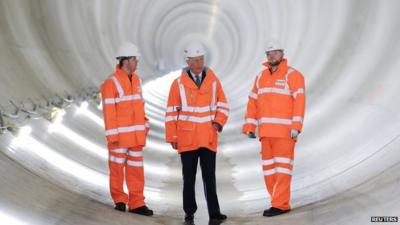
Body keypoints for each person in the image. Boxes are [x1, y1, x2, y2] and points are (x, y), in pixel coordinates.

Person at [165, 41, 229, 223]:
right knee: (189, 179)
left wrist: (217, 123)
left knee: (210, 177)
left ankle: (214, 214)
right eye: (195, 60)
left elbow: (223, 104)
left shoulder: (213, 81)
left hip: (207, 136)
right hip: (187, 138)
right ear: (188, 62)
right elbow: (171, 112)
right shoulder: (178, 84)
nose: (199, 63)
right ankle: (189, 213)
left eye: (201, 59)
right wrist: (172, 136)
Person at [242, 39, 306, 217]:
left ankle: (281, 204)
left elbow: (299, 102)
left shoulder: (293, 75)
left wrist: (296, 126)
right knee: (269, 170)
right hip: (266, 133)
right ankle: (275, 201)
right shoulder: (261, 77)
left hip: (284, 133)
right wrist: (250, 125)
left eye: (275, 52)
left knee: (283, 169)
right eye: (269, 53)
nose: (272, 55)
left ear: (282, 54)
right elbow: (253, 102)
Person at [100, 42, 153, 216]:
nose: (137, 63)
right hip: (120, 137)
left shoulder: (137, 80)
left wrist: (145, 123)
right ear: (127, 60)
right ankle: (120, 199)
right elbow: (109, 111)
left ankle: (137, 202)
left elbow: (139, 104)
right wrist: (112, 136)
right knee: (116, 169)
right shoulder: (111, 83)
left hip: (136, 137)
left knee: (136, 170)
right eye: (135, 59)